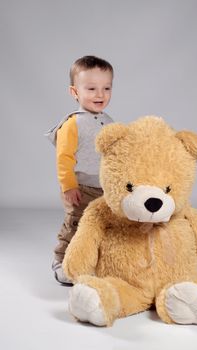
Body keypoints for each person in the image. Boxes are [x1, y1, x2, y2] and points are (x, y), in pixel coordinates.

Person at [45, 55, 114, 284]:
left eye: (106, 88)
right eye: (91, 88)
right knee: (76, 223)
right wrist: (69, 186)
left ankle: (92, 262)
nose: (100, 94)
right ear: (75, 92)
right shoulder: (73, 123)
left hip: (104, 187)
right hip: (81, 187)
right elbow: (63, 157)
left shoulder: (109, 121)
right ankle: (61, 259)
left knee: (102, 226)